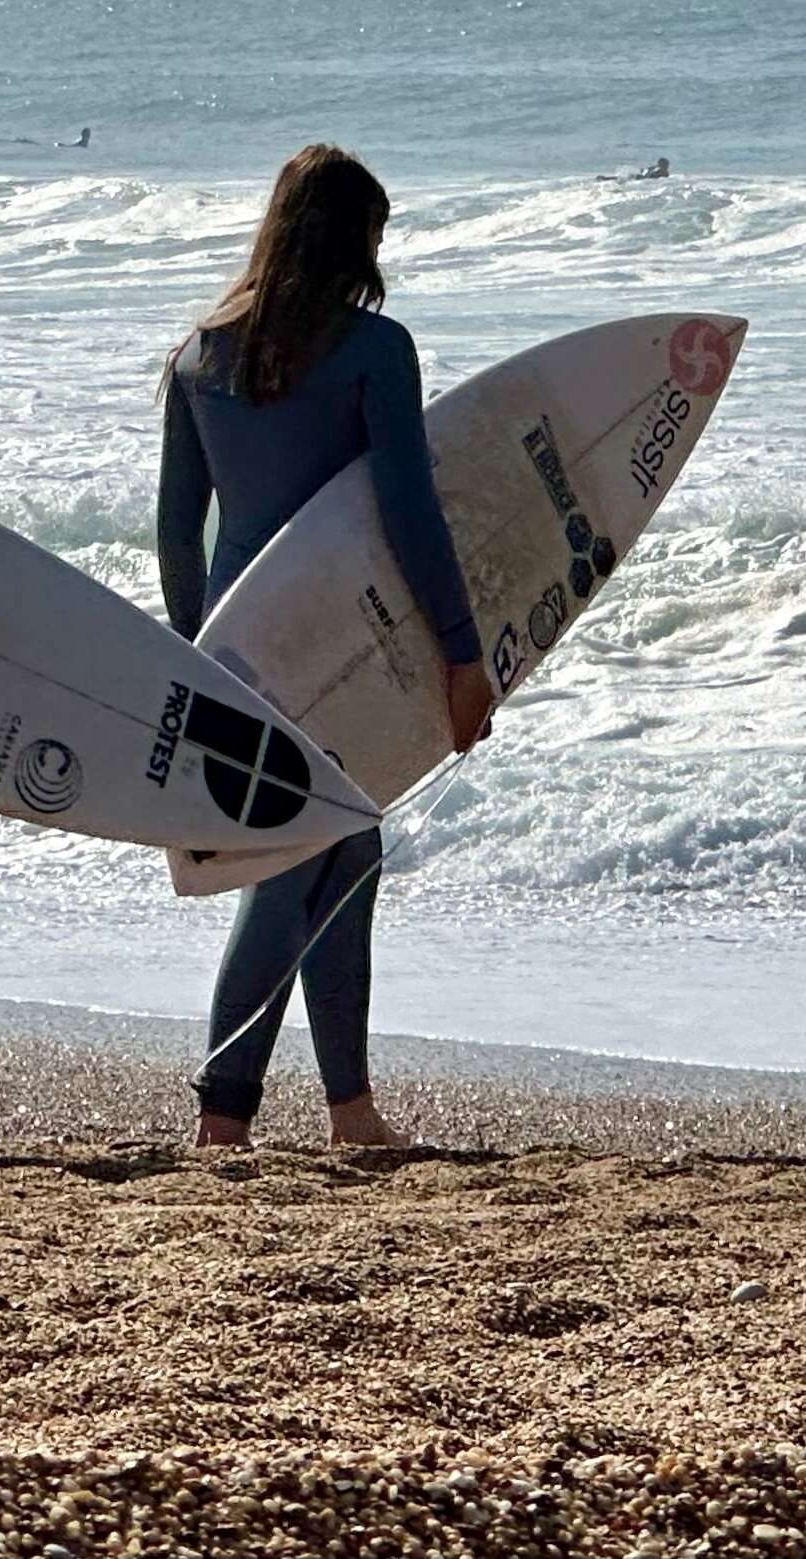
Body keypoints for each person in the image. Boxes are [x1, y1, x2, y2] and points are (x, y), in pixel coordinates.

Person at [156, 144, 495, 1148]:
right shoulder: (374, 350)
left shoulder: (197, 354)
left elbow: (179, 530)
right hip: (339, 642)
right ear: (356, 239)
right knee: (302, 860)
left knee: (344, 847)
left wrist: (193, 654)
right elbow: (408, 512)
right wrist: (463, 651)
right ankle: (224, 1112)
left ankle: (349, 1109)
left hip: (236, 651)